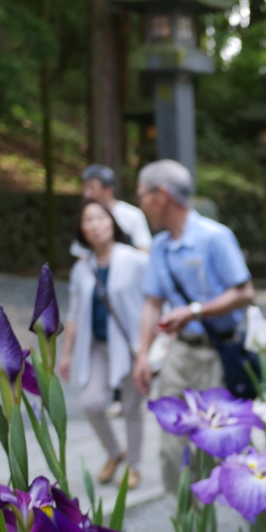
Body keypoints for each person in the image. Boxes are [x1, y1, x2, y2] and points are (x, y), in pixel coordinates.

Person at [132, 159, 255, 496]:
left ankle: (227, 518)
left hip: (217, 355)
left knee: (214, 446)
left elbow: (245, 291)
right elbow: (153, 302)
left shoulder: (214, 237)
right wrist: (142, 355)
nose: (140, 203)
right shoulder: (159, 246)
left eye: (142, 195)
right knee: (170, 445)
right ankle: (187, 527)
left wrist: (196, 310)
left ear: (161, 195)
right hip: (179, 353)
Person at [58, 200, 148, 488]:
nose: (95, 224)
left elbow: (154, 302)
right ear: (82, 230)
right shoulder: (81, 269)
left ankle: (134, 465)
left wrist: (152, 345)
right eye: (88, 220)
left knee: (132, 408)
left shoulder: (135, 260)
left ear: (112, 223)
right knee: (91, 403)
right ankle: (114, 452)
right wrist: (67, 354)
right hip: (97, 346)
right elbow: (72, 314)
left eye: (101, 218)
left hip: (132, 346)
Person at [81, 165, 152, 252]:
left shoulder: (133, 215)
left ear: (108, 190)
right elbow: (82, 254)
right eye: (85, 188)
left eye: (92, 188)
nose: (86, 194)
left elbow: (144, 250)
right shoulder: (85, 216)